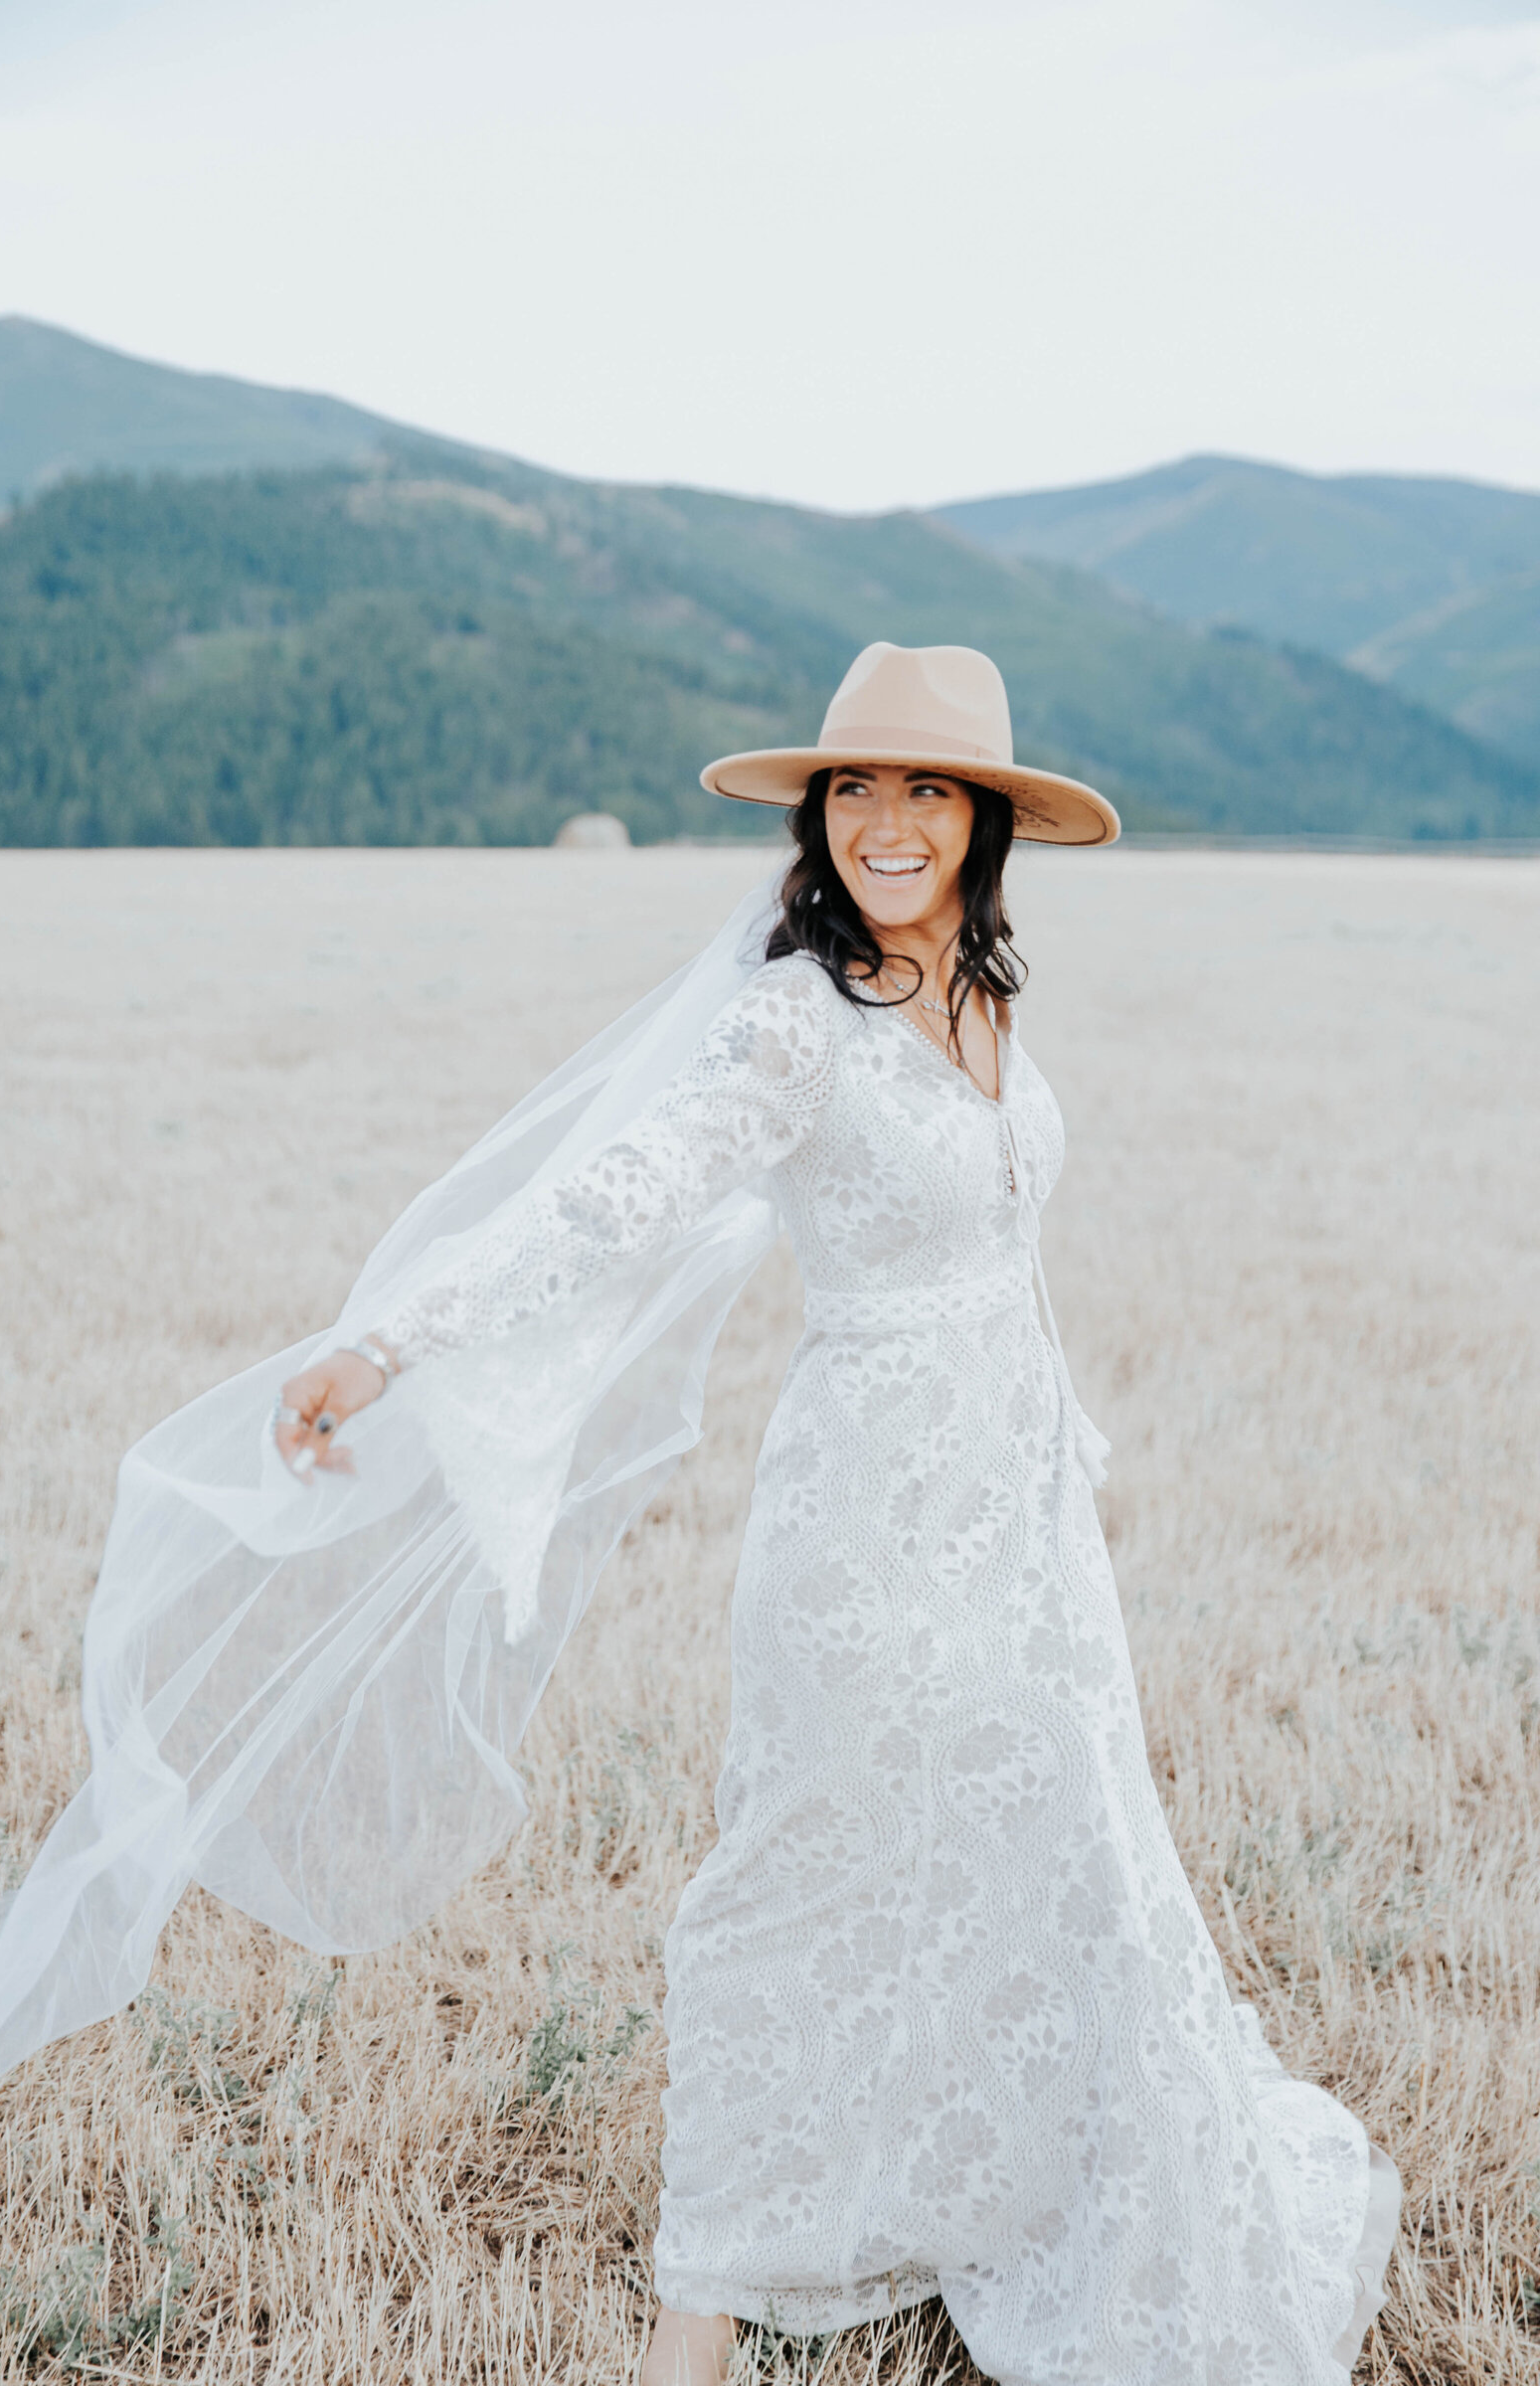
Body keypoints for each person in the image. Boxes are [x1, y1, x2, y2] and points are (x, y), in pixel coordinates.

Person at [271, 643, 1400, 2384]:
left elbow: (1006, 1261)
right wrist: (386, 1341)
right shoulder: (796, 1023)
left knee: (1060, 1851)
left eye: (926, 789)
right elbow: (611, 1199)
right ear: (817, 816)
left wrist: (1058, 1465)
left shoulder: (991, 995)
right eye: (855, 788)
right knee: (800, 1874)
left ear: (983, 826)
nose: (886, 821)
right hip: (865, 1518)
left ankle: (1001, 2175)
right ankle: (698, 2311)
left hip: (1022, 1519)